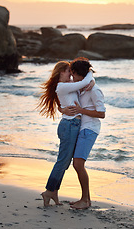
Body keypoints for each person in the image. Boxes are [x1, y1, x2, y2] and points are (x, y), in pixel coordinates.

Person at [38, 61, 94, 206]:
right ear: (61, 72)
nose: (71, 73)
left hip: (71, 125)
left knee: (65, 162)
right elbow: (85, 81)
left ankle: (54, 192)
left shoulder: (65, 87)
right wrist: (90, 71)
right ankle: (49, 190)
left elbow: (85, 84)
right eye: (69, 71)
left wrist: (92, 81)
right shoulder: (62, 86)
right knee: (62, 161)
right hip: (69, 126)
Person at [62, 58, 106, 209]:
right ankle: (85, 199)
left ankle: (85, 201)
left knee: (78, 164)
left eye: (73, 73)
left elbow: (101, 113)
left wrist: (81, 111)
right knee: (77, 164)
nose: (72, 76)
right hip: (81, 128)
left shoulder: (94, 90)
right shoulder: (81, 87)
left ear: (77, 73)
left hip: (90, 129)